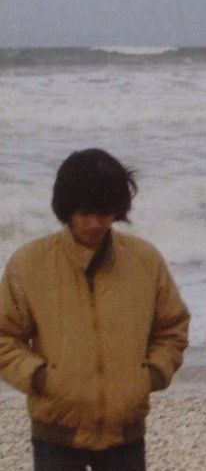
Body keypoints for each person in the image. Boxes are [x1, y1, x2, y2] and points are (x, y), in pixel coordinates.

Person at [0, 148, 190, 470]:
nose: (94, 223)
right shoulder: (29, 263)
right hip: (55, 433)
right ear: (65, 209)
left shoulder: (145, 261)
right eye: (84, 213)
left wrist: (151, 375)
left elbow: (173, 327)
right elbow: (4, 337)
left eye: (105, 212)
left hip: (125, 433)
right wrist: (41, 378)